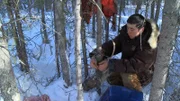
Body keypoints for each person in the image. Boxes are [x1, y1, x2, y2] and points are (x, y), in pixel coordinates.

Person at [82, 14, 160, 92]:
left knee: (125, 76)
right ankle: (89, 85)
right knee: (107, 68)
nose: (128, 31)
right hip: (126, 65)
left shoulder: (149, 44)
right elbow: (114, 45)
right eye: (128, 27)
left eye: (132, 29)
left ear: (141, 29)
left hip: (142, 74)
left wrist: (110, 64)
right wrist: (97, 54)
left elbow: (136, 65)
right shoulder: (127, 34)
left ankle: (130, 93)